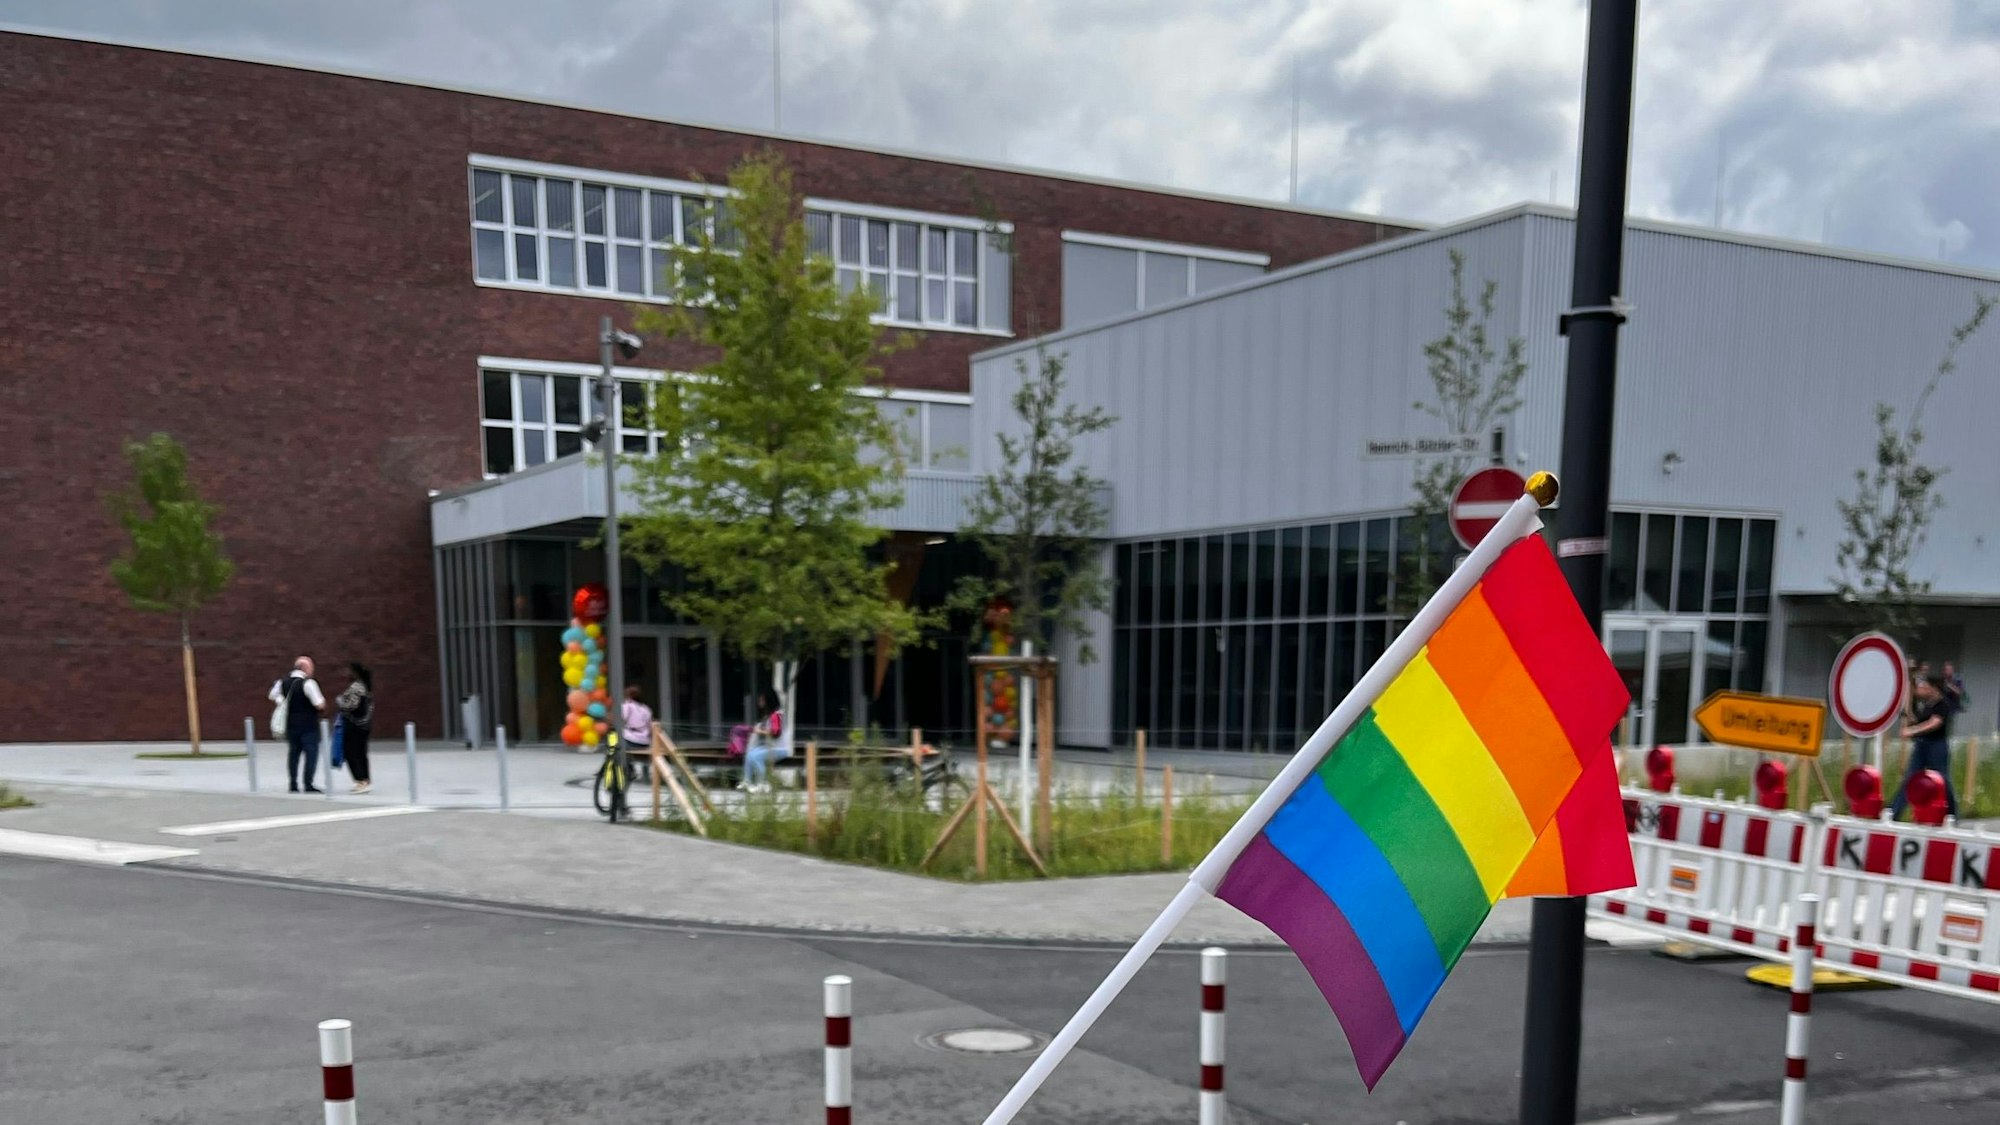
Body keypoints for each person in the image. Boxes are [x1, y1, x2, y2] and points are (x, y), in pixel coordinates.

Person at [1891, 675, 1958, 820]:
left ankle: (1951, 814)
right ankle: (1893, 813)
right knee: (1910, 778)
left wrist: (1912, 731)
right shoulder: (1927, 705)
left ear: (1933, 688)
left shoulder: (1943, 704)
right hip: (1921, 746)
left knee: (1942, 780)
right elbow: (1919, 720)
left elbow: (1934, 723)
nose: (1921, 689)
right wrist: (1908, 717)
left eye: (1924, 685)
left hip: (1937, 747)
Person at [269, 657, 327, 793]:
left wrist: (280, 701)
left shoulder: (282, 682)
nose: (312, 670)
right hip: (308, 726)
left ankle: (293, 783)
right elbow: (319, 704)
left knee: (293, 754)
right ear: (304, 668)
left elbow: (272, 695)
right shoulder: (309, 683)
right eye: (311, 668)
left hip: (291, 725)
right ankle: (308, 783)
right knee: (311, 754)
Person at [335, 662, 375, 794]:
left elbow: (352, 705)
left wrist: (340, 701)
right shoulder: (366, 687)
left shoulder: (356, 687)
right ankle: (365, 779)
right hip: (364, 725)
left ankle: (360, 780)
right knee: (361, 753)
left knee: (351, 752)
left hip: (353, 725)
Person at [738, 692, 789, 793]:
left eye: (761, 700)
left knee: (756, 756)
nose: (759, 702)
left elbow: (776, 732)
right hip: (772, 747)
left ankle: (763, 783)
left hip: (781, 748)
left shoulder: (776, 715)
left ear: (768, 701)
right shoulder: (770, 715)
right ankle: (747, 781)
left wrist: (760, 731)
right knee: (750, 754)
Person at [621, 684, 654, 756]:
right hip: (645, 741)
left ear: (628, 696)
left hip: (630, 739)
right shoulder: (646, 708)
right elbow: (650, 727)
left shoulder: (627, 705)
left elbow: (621, 719)